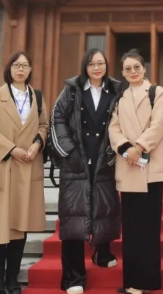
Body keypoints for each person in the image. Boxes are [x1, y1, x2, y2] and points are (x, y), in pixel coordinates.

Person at [50, 49, 123, 294]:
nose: (96, 68)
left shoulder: (116, 89)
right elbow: (57, 117)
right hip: (76, 161)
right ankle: (73, 278)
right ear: (85, 66)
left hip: (105, 159)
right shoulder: (71, 90)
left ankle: (102, 253)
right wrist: (69, 151)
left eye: (101, 63)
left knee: (105, 208)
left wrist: (113, 151)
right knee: (74, 215)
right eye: (92, 64)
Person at [0, 51, 49, 294]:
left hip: (28, 166)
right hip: (3, 165)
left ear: (30, 70)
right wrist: (11, 149)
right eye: (17, 65)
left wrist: (37, 144)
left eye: (25, 65)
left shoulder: (36, 96)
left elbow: (44, 126)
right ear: (9, 68)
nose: (21, 69)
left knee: (20, 226)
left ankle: (12, 279)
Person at [108, 49, 163, 294]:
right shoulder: (120, 97)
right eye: (128, 69)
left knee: (149, 228)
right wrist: (126, 149)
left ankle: (146, 282)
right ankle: (131, 281)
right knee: (131, 228)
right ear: (122, 73)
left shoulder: (156, 92)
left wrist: (140, 147)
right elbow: (113, 128)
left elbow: (159, 124)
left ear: (144, 69)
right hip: (128, 165)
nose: (133, 71)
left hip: (150, 165)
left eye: (137, 67)